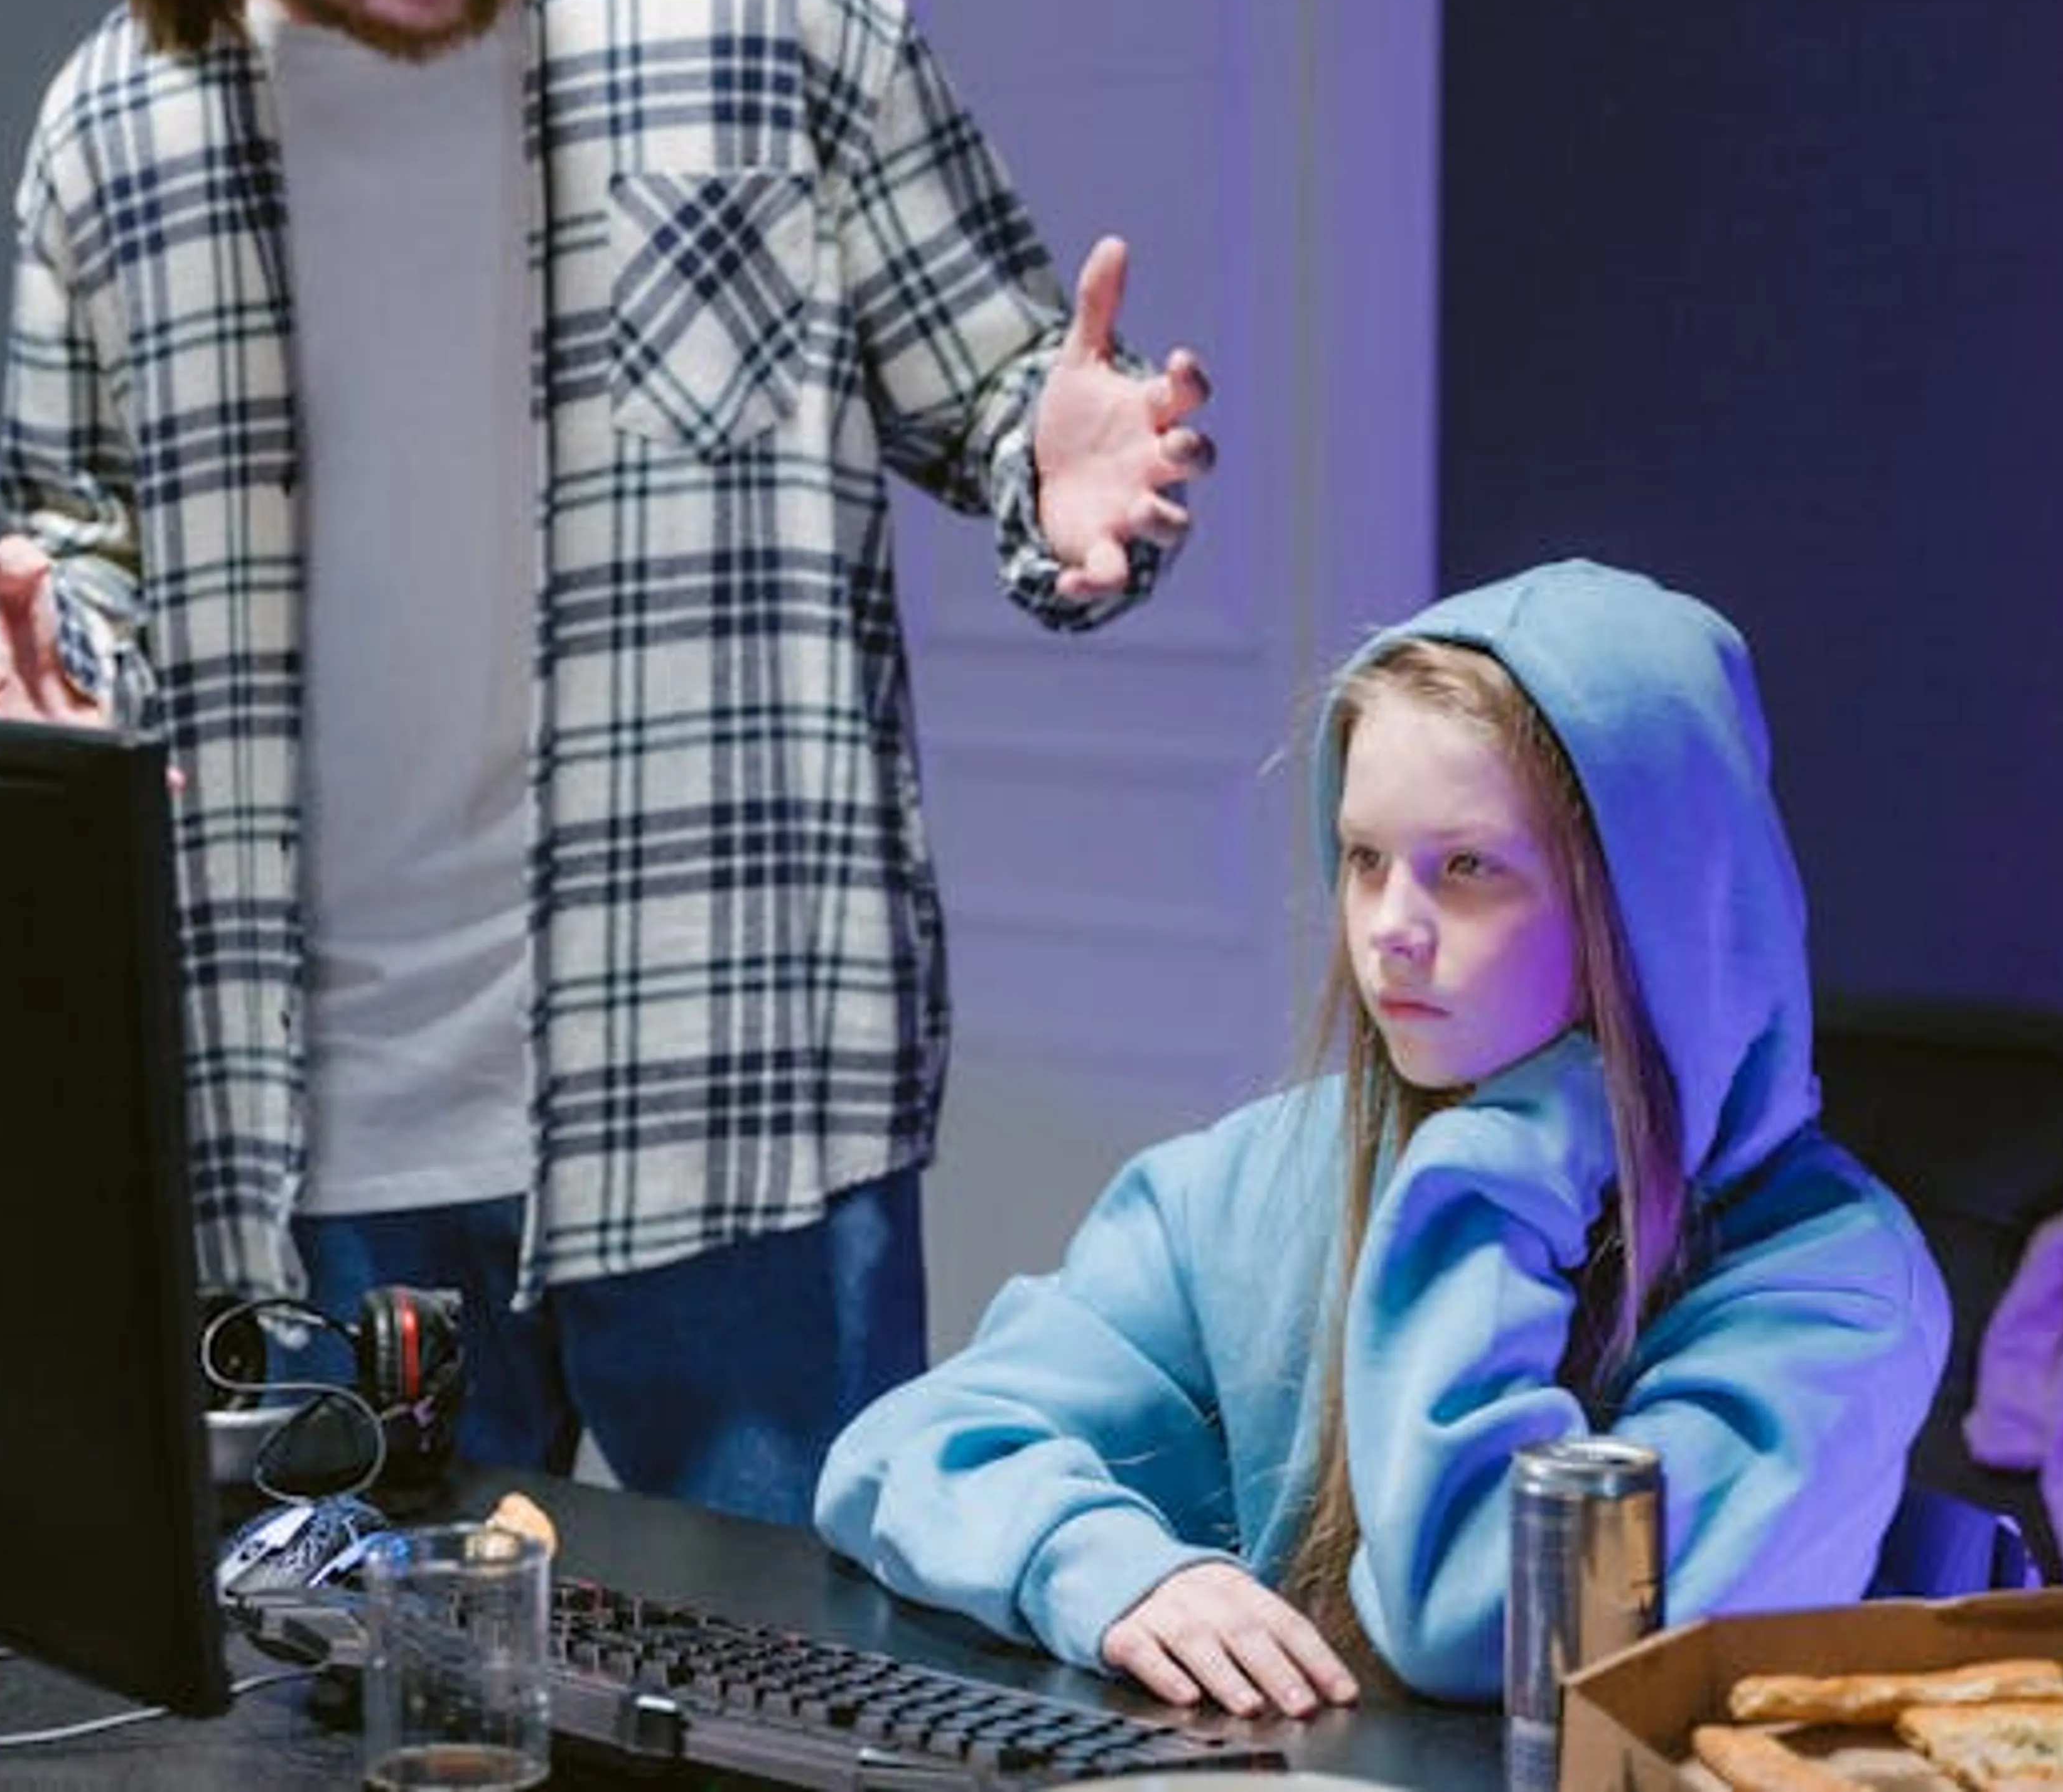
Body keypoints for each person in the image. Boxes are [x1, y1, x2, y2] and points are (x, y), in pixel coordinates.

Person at [0, 0, 1215, 1526]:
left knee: (805, 1714)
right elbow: (82, 548)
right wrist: (57, 692)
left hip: (732, 1090)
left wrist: (1068, 465)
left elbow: (1006, 396)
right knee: (349, 1735)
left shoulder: (762, 2)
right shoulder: (111, 133)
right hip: (311, 1148)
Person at [813, 559, 1947, 1712]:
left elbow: (1484, 1625)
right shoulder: (1258, 1181)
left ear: (1654, 908)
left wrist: (1485, 1175)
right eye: (1364, 860)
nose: (1389, 931)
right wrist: (1109, 1569)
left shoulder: (1835, 1289)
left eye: (1467, 869)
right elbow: (913, 1445)